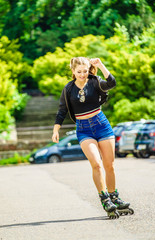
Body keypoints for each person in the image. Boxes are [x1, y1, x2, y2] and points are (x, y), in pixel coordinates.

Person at [52, 57, 130, 218]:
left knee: (110, 165)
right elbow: (62, 111)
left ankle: (114, 196)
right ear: (73, 71)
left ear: (89, 70)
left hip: (102, 124)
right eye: (79, 71)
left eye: (85, 71)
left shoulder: (95, 82)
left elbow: (112, 83)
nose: (82, 74)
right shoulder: (68, 89)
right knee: (96, 164)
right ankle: (105, 199)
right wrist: (56, 130)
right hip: (84, 129)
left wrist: (100, 65)